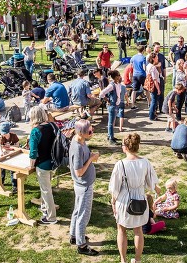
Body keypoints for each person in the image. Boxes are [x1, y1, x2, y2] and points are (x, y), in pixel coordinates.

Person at [108, 133, 160, 263]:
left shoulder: (120, 164)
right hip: (140, 199)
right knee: (138, 231)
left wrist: (113, 202)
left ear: (125, 147)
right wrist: (157, 192)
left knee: (121, 229)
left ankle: (123, 260)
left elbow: (115, 188)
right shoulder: (145, 162)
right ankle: (137, 260)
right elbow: (152, 183)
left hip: (124, 200)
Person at [68, 119, 100, 256]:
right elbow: (79, 172)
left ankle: (74, 235)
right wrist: (91, 159)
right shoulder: (78, 147)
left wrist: (90, 156)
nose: (92, 133)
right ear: (82, 133)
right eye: (90, 131)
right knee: (83, 215)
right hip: (84, 186)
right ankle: (81, 245)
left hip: (82, 185)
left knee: (77, 210)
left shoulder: (80, 140)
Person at [28, 105, 58, 225]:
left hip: (43, 163)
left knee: (46, 190)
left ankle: (51, 217)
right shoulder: (51, 125)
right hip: (53, 161)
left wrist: (31, 165)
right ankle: (45, 208)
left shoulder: (35, 131)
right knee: (46, 188)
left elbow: (33, 152)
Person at [99, 70, 126, 144]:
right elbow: (101, 93)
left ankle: (110, 135)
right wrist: (107, 100)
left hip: (116, 105)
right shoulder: (111, 85)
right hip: (112, 106)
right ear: (116, 77)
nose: (120, 76)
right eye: (119, 75)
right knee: (111, 123)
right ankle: (111, 138)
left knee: (112, 121)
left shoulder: (117, 84)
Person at [0, 121, 20, 193]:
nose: (4, 135)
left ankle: (15, 186)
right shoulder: (1, 137)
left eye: (5, 133)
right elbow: (0, 145)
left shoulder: (13, 136)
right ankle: (1, 183)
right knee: (2, 169)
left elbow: (17, 145)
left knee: (12, 171)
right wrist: (2, 152)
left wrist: (11, 147)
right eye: (3, 134)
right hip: (5, 155)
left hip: (12, 155)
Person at [145, 52, 162, 121]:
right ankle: (152, 115)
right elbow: (154, 79)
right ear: (153, 59)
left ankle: (152, 114)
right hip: (154, 86)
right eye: (156, 58)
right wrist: (158, 89)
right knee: (154, 101)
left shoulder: (149, 66)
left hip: (151, 85)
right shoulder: (153, 68)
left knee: (153, 100)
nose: (157, 59)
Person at [129, 46, 146, 110]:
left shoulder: (133, 57)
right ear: (143, 50)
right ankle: (150, 103)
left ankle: (132, 105)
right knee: (146, 89)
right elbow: (144, 68)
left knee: (134, 90)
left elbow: (131, 65)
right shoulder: (144, 58)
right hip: (142, 75)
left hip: (135, 75)